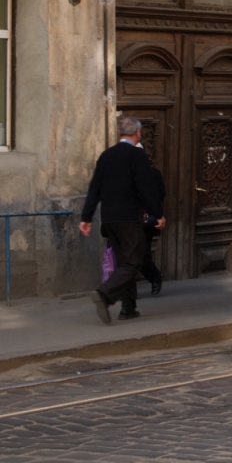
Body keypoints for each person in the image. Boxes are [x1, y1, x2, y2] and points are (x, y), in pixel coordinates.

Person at [79, 116, 165, 323]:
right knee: (134, 261)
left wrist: (87, 217)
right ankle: (104, 294)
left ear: (120, 134)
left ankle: (128, 308)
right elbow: (145, 189)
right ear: (138, 133)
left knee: (122, 264)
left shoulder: (106, 155)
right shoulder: (137, 155)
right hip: (129, 218)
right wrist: (158, 214)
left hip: (109, 219)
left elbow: (94, 189)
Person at [139, 151, 164, 297]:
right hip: (127, 219)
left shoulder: (153, 174)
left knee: (143, 255)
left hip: (145, 220)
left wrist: (152, 211)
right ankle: (128, 294)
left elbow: (159, 194)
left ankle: (155, 276)